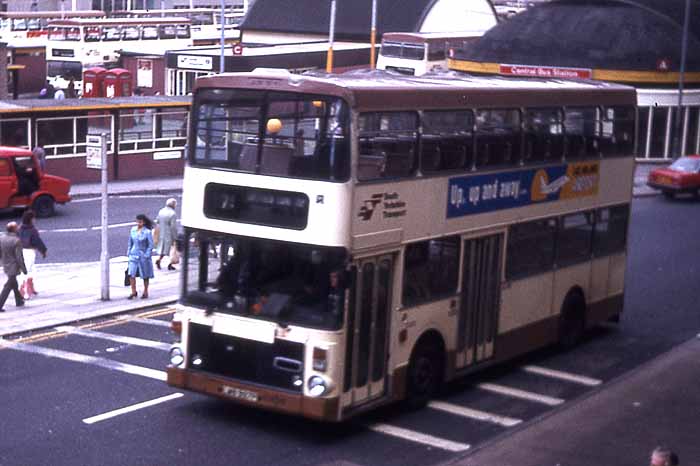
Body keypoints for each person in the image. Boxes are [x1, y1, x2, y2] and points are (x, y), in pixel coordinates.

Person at [18, 210, 47, 300]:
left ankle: (30, 287)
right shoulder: (32, 230)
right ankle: (23, 292)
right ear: (30, 219)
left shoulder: (19, 228)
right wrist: (43, 251)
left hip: (20, 251)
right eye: (33, 218)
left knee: (32, 269)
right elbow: (37, 241)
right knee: (26, 271)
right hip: (29, 252)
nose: (35, 219)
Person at [0, 222, 27, 312]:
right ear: (14, 229)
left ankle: (19, 300)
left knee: (14, 283)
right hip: (13, 266)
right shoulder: (16, 241)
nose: (19, 228)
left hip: (5, 264)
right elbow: (19, 257)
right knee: (8, 285)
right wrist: (24, 269)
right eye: (17, 227)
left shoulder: (2, 238)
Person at [127, 214, 155, 299]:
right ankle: (133, 291)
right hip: (133, 255)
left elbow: (150, 245)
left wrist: (147, 254)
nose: (139, 223)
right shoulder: (133, 230)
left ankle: (145, 291)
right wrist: (129, 251)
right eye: (137, 221)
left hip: (143, 256)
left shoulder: (147, 232)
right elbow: (130, 242)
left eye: (141, 222)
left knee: (145, 275)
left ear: (144, 222)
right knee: (131, 274)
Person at [154, 198, 178, 271]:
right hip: (168, 234)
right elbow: (173, 227)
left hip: (161, 232)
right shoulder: (173, 214)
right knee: (172, 250)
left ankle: (159, 260)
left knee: (163, 249)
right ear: (173, 205)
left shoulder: (161, 211)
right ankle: (170, 264)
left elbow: (157, 221)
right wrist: (175, 237)